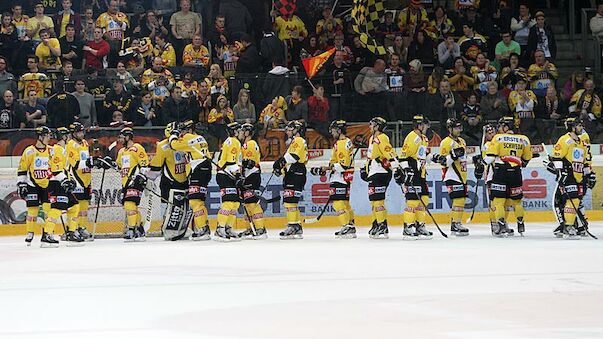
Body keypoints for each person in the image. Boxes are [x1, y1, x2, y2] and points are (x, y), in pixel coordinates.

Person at [484, 116, 533, 237]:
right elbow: (526, 159)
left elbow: (490, 157)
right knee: (516, 201)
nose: (499, 128)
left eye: (501, 126)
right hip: (516, 172)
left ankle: (501, 225)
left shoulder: (498, 138)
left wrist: (481, 163)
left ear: (506, 127)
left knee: (499, 201)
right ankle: (520, 224)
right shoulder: (524, 139)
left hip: (501, 172)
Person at [548, 118, 594, 239]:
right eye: (579, 126)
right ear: (573, 127)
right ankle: (568, 227)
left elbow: (584, 162)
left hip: (579, 176)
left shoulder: (581, 143)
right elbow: (557, 157)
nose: (581, 128)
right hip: (568, 175)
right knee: (571, 200)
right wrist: (560, 173)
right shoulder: (565, 140)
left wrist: (589, 174)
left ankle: (577, 226)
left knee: (577, 201)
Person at [167, 120, 212, 240]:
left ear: (189, 130)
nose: (182, 133)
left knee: (195, 202)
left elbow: (174, 145)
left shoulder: (188, 137)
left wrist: (173, 135)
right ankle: (204, 228)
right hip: (206, 168)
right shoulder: (201, 138)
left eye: (183, 130)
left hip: (198, 169)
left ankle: (202, 229)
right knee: (200, 201)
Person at [146, 122, 191, 239]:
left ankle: (182, 227)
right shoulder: (162, 146)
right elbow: (157, 165)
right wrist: (148, 178)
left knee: (184, 206)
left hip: (184, 179)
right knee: (167, 205)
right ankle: (166, 227)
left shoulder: (183, 142)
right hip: (169, 182)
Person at [396, 115, 433, 239]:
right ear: (419, 125)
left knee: (424, 199)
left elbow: (424, 156)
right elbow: (403, 157)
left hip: (421, 173)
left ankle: (419, 225)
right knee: (412, 201)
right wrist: (407, 170)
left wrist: (435, 157)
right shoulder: (412, 138)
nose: (427, 127)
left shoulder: (424, 139)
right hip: (412, 173)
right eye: (425, 124)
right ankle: (408, 227)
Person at [359, 117, 397, 238]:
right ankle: (376, 224)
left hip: (381, 173)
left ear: (377, 127)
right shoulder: (372, 139)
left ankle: (382, 226)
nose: (370, 127)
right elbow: (371, 157)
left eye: (372, 125)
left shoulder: (382, 137)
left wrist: (396, 167)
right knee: (374, 201)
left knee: (378, 200)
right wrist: (366, 170)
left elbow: (389, 153)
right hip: (375, 172)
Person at [432, 118, 469, 236]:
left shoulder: (462, 141)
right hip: (451, 175)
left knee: (462, 199)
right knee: (458, 198)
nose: (459, 130)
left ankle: (457, 222)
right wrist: (452, 156)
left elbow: (464, 158)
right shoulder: (445, 142)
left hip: (462, 175)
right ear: (450, 129)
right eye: (456, 128)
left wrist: (475, 160)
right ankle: (455, 224)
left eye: (460, 127)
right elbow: (443, 162)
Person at [17, 126, 53, 246]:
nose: (49, 138)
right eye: (47, 136)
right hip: (32, 184)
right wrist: (21, 184)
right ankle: (30, 232)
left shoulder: (51, 151)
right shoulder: (29, 151)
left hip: (47, 184)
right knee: (32, 210)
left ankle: (48, 232)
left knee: (48, 210)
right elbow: (22, 168)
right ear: (40, 137)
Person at [273, 120, 308, 239]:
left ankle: (293, 226)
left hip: (296, 172)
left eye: (289, 129)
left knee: (290, 201)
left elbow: (294, 157)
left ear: (296, 130)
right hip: (294, 172)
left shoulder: (298, 140)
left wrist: (280, 162)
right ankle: (296, 225)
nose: (287, 131)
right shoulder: (294, 142)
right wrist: (281, 169)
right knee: (291, 200)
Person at [48, 126, 83, 244]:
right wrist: (64, 181)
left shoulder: (64, 149)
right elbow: (56, 169)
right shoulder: (57, 149)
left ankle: (71, 232)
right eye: (67, 135)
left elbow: (66, 168)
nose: (69, 137)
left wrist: (71, 179)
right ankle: (47, 234)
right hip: (57, 183)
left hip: (63, 182)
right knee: (57, 208)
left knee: (74, 206)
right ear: (63, 136)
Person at [114, 127, 149, 241]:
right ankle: (139, 229)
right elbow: (118, 165)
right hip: (125, 182)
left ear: (128, 137)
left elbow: (145, 164)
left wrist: (141, 176)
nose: (120, 139)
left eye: (122, 137)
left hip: (136, 180)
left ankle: (131, 229)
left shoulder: (137, 148)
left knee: (129, 203)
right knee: (130, 206)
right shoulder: (121, 151)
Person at [326, 120, 356, 238]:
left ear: (338, 130)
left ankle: (346, 226)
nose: (332, 133)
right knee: (345, 203)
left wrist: (327, 168)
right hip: (346, 177)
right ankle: (350, 225)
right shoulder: (347, 141)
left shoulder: (341, 143)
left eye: (333, 131)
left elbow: (343, 165)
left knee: (338, 203)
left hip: (340, 177)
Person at [237, 122, 268, 239]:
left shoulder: (250, 144)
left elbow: (249, 163)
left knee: (252, 203)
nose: (240, 133)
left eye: (242, 130)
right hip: (249, 175)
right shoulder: (246, 144)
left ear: (247, 132)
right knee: (247, 203)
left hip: (252, 175)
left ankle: (261, 229)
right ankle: (251, 228)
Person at [214, 121, 244, 241]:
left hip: (230, 175)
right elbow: (230, 162)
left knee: (235, 203)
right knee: (228, 203)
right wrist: (238, 175)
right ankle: (219, 229)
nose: (242, 133)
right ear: (235, 132)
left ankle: (228, 228)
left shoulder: (232, 142)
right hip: (225, 174)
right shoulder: (233, 142)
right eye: (240, 130)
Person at [65, 122, 93, 240]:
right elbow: (75, 164)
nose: (82, 134)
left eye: (82, 132)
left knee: (84, 206)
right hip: (76, 179)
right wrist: (88, 162)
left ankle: (82, 227)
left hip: (86, 178)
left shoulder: (85, 143)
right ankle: (73, 228)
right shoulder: (71, 144)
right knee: (75, 206)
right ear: (74, 133)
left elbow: (86, 160)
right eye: (79, 132)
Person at [96, 0, 129, 67]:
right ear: (108, 6)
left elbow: (126, 27)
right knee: (109, 61)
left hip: (120, 43)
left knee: (119, 61)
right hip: (108, 42)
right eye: (113, 6)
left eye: (116, 6)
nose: (115, 8)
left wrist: (117, 21)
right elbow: (100, 29)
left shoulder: (122, 15)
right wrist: (109, 37)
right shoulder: (102, 16)